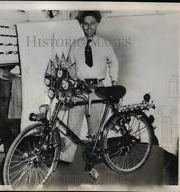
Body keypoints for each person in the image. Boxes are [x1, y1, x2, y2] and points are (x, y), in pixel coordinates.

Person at [60, 11, 119, 163]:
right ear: (81, 25)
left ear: (97, 24)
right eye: (85, 24)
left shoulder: (105, 44)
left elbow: (114, 62)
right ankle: (66, 157)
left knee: (95, 127)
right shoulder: (75, 45)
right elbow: (70, 68)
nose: (88, 27)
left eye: (92, 23)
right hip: (79, 90)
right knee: (71, 125)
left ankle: (94, 156)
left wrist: (114, 83)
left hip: (98, 90)